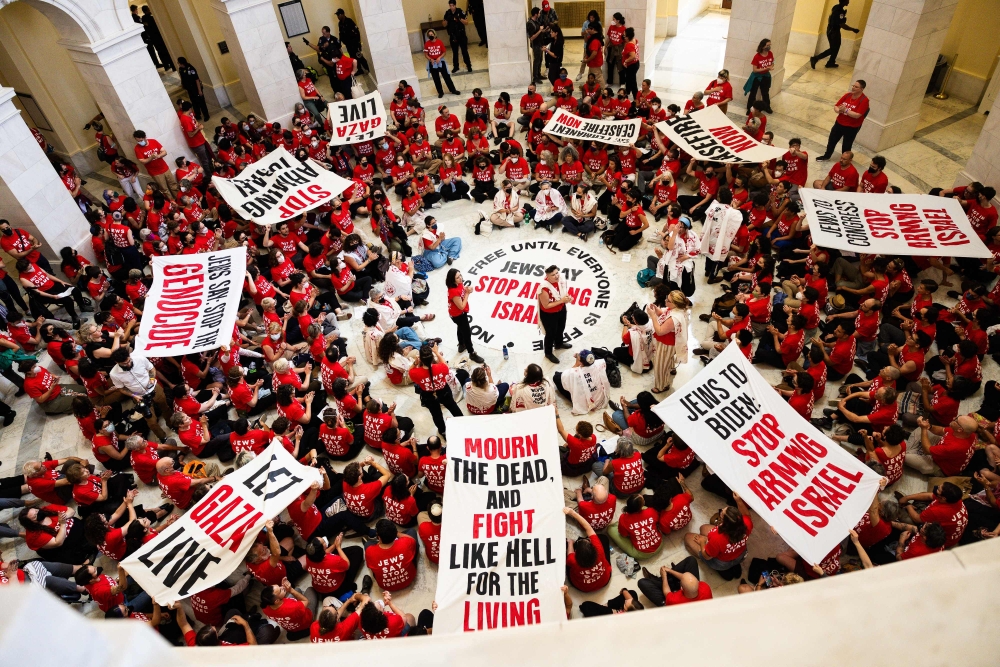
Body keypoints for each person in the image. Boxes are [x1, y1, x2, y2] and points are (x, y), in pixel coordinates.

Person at [685, 493, 753, 575]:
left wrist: (702, 542)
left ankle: (721, 569)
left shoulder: (717, 538)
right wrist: (738, 500)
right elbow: (746, 515)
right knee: (703, 528)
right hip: (740, 554)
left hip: (721, 562)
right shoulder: (746, 524)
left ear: (724, 523)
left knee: (687, 538)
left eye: (721, 513)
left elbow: (707, 556)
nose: (722, 510)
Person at [408, 342, 467, 436]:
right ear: (432, 357)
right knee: (452, 406)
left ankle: (443, 431)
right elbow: (446, 366)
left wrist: (416, 362)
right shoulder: (441, 367)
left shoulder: (416, 373)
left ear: (421, 359)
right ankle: (462, 422)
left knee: (436, 414)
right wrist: (437, 353)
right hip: (444, 391)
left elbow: (409, 371)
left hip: (428, 395)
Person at [816, 81, 869, 161]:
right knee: (832, 140)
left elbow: (857, 115)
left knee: (846, 145)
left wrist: (846, 110)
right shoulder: (847, 95)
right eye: (853, 86)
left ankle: (845, 160)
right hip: (839, 123)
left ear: (862, 89)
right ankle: (827, 155)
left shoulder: (864, 100)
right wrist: (839, 110)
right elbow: (836, 106)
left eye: (856, 87)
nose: (853, 88)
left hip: (851, 127)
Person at [364, 519, 418, 591]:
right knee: (412, 531)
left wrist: (378, 544)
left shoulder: (370, 551)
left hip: (385, 586)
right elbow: (413, 542)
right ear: (395, 532)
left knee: (367, 544)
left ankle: (383, 539)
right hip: (408, 579)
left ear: (379, 537)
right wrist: (397, 533)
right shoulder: (405, 543)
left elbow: (370, 567)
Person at [553, 349, 610, 415]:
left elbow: (567, 378)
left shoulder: (574, 373)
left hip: (584, 401)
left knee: (557, 376)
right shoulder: (599, 364)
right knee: (562, 375)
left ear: (581, 363)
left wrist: (576, 364)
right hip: (598, 398)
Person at [446, 268, 483, 363]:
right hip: (458, 315)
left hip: (459, 314)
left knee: (460, 328)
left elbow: (462, 290)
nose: (461, 278)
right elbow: (461, 306)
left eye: (460, 275)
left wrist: (466, 289)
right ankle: (472, 353)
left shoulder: (459, 284)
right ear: (452, 280)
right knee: (467, 332)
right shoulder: (453, 292)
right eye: (457, 277)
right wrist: (467, 293)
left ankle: (461, 344)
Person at [538, 265, 572, 363]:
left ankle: (559, 344)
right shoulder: (544, 288)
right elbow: (546, 305)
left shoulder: (560, 280)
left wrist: (567, 298)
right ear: (547, 276)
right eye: (553, 275)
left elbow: (564, 292)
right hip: (549, 314)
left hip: (561, 309)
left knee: (561, 328)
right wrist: (562, 300)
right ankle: (548, 353)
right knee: (550, 333)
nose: (556, 276)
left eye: (557, 273)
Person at [810, 0, 859, 69]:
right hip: (834, 32)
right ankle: (816, 58)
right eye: (847, 0)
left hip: (831, 30)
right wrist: (853, 29)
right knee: (833, 48)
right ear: (844, 1)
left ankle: (831, 62)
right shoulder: (840, 11)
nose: (848, 2)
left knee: (836, 46)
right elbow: (842, 25)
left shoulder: (836, 7)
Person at [132, 130, 177, 200]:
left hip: (165, 168)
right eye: (138, 141)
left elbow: (164, 152)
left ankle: (178, 198)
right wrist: (151, 157)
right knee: (164, 189)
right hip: (155, 172)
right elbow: (143, 161)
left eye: (141, 140)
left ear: (145, 137)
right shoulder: (137, 148)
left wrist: (158, 156)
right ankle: (172, 202)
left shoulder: (153, 141)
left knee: (173, 184)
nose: (140, 142)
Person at [424, 29, 460, 98]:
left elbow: (444, 52)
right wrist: (430, 59)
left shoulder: (439, 42)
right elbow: (426, 54)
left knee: (446, 76)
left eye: (432, 34)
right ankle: (440, 92)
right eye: (429, 35)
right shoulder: (427, 44)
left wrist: (439, 58)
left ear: (434, 34)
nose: (431, 36)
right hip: (432, 63)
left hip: (440, 61)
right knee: (436, 78)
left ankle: (453, 90)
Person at [443, 0, 472, 74]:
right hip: (453, 36)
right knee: (455, 52)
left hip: (461, 35)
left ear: (455, 5)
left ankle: (468, 65)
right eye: (450, 5)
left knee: (464, 51)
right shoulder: (447, 13)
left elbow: (466, 22)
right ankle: (456, 67)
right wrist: (447, 20)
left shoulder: (460, 11)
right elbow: (444, 24)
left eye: (453, 5)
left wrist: (459, 18)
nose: (452, 7)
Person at [176, 57, 210, 122]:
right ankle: (198, 114)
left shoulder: (190, 68)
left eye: (178, 62)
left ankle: (206, 115)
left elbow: (197, 80)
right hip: (190, 89)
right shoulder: (181, 69)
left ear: (181, 63)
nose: (178, 64)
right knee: (194, 102)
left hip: (196, 88)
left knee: (201, 102)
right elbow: (183, 78)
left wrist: (199, 90)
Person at [746, 38, 774, 114]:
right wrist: (765, 68)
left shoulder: (770, 53)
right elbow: (755, 70)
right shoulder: (757, 57)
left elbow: (772, 62)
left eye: (769, 45)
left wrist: (771, 66)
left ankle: (767, 107)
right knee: (753, 93)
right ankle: (750, 108)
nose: (769, 47)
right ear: (762, 46)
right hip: (756, 77)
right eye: (767, 45)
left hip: (766, 76)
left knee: (765, 92)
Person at [526, 8, 546, 84]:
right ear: (535, 14)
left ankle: (539, 74)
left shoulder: (536, 22)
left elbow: (538, 32)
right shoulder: (530, 24)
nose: (540, 14)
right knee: (537, 60)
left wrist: (544, 30)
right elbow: (532, 37)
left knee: (540, 59)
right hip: (536, 45)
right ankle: (535, 77)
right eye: (539, 13)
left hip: (540, 44)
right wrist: (540, 30)